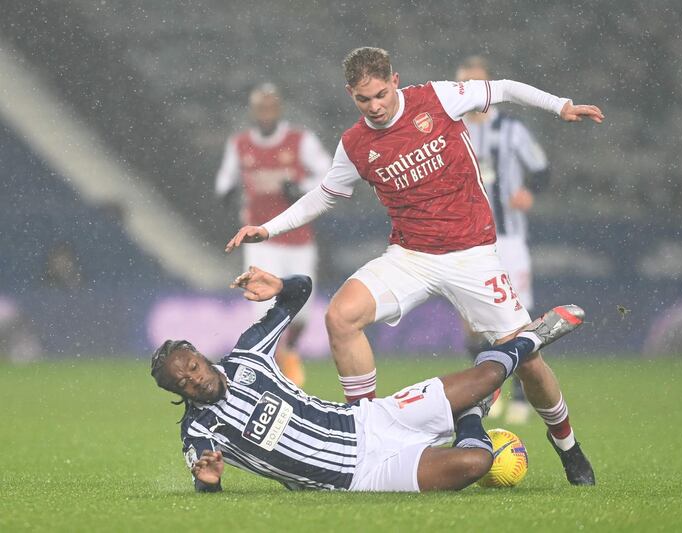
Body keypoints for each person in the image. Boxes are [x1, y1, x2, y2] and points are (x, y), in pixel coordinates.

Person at [225, 47, 603, 485]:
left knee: (529, 360)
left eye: (382, 94)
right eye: (364, 100)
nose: (376, 106)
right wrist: (267, 229)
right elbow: (325, 194)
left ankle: (569, 448)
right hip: (411, 256)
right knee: (340, 317)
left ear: (395, 80)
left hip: (471, 254)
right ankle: (364, 433)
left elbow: (501, 89)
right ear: (351, 94)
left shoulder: (437, 99)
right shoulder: (355, 145)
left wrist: (561, 106)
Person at [150, 266, 585, 492]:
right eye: (181, 383)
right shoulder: (199, 429)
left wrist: (279, 284)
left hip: (371, 421)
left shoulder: (248, 355)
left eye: (192, 366)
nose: (193, 380)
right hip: (360, 477)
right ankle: (469, 416)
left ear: (201, 356)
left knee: (488, 374)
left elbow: (300, 290)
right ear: (177, 394)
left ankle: (532, 338)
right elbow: (206, 475)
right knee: (476, 464)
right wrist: (207, 483)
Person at [215, 82, 332, 386]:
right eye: (260, 108)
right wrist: (229, 194)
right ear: (253, 111)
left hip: (298, 238)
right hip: (259, 240)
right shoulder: (240, 144)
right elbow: (225, 180)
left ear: (278, 109)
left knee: (302, 310)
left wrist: (301, 188)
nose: (266, 113)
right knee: (264, 306)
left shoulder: (299, 140)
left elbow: (327, 171)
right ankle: (267, 364)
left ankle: (289, 350)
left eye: (270, 107)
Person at [454, 56, 551, 425]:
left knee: (519, 317)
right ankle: (486, 391)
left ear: (489, 88)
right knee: (472, 321)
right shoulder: (451, 129)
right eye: (465, 84)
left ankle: (522, 397)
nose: (472, 92)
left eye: (478, 84)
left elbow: (542, 170)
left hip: (508, 238)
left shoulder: (512, 129)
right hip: (466, 241)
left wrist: (529, 190)